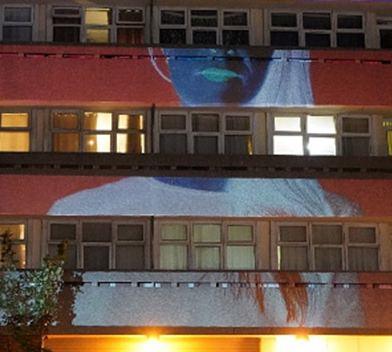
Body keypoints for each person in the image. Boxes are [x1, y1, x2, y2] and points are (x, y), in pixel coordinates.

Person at [48, 46, 366, 328]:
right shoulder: (78, 215)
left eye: (244, 28)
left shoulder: (331, 217)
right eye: (197, 25)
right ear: (163, 45)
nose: (221, 47)